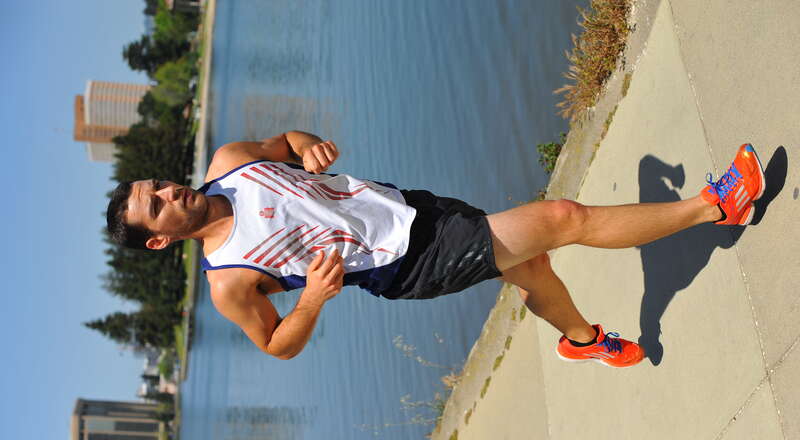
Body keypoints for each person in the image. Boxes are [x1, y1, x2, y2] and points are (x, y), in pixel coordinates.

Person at [106, 131, 765, 367]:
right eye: (156, 204)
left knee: (532, 266)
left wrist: (305, 145)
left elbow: (285, 142)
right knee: (563, 218)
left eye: (159, 183)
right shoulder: (228, 282)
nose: (170, 191)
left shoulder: (229, 160)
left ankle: (582, 341)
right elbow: (276, 344)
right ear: (161, 238)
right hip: (409, 264)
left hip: (411, 206)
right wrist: (309, 302)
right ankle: (718, 205)